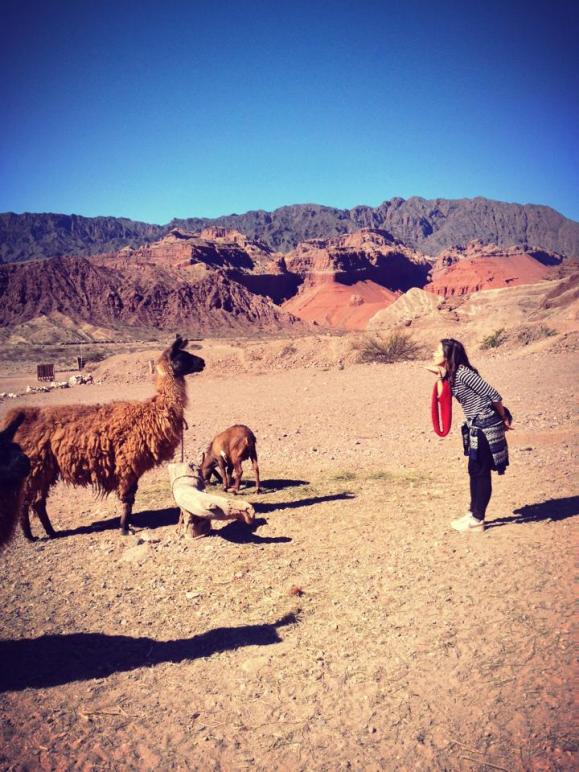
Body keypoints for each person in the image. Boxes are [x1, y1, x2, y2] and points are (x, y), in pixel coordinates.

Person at [427, 338, 512, 533]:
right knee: (475, 469)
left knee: (480, 470)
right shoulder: (452, 374)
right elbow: (442, 398)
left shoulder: (464, 373)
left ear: (448, 355)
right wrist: (440, 376)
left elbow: (493, 394)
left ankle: (477, 519)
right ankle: (473, 512)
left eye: (438, 350)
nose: (434, 353)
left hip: (486, 425)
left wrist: (503, 417)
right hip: (476, 425)